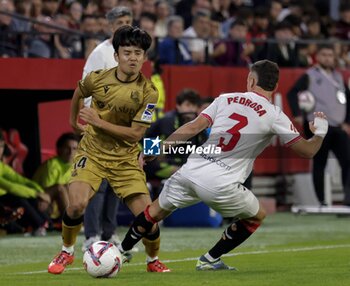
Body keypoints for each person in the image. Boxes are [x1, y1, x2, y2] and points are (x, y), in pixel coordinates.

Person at [117, 60, 329, 270]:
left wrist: (154, 150)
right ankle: (210, 259)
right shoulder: (274, 115)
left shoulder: (225, 99)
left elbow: (192, 127)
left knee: (152, 212)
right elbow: (307, 151)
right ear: (275, 86)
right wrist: (319, 133)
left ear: (251, 80)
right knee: (257, 216)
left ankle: (119, 252)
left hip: (191, 170)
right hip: (221, 182)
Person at [47, 25, 170, 275]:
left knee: (148, 218)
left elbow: (136, 134)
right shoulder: (98, 78)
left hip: (125, 159)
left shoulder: (149, 93)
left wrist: (98, 121)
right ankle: (66, 251)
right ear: (116, 56)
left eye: (138, 53)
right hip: (91, 153)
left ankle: (152, 259)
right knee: (76, 205)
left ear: (144, 57)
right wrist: (73, 122)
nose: (133, 57)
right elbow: (78, 92)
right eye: (127, 52)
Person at [80, 6, 132, 252]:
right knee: (98, 183)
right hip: (100, 126)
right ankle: (91, 235)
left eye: (128, 21)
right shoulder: (100, 54)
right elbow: (86, 88)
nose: (125, 25)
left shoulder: (130, 53)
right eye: (120, 21)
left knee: (114, 184)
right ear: (110, 26)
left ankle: (109, 233)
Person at [287, 44, 350, 206]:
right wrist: (297, 114)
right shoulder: (310, 75)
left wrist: (347, 122)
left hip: (337, 126)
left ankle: (348, 200)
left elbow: (348, 100)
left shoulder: (338, 77)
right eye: (324, 55)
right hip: (319, 126)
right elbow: (292, 93)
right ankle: (322, 201)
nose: (328, 58)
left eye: (330, 55)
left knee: (348, 161)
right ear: (318, 57)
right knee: (320, 162)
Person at [33, 132, 80, 227]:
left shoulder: (75, 166)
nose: (71, 152)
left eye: (74, 149)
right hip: (40, 203)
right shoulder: (51, 165)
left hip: (59, 210)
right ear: (59, 150)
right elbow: (45, 195)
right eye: (67, 148)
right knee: (59, 188)